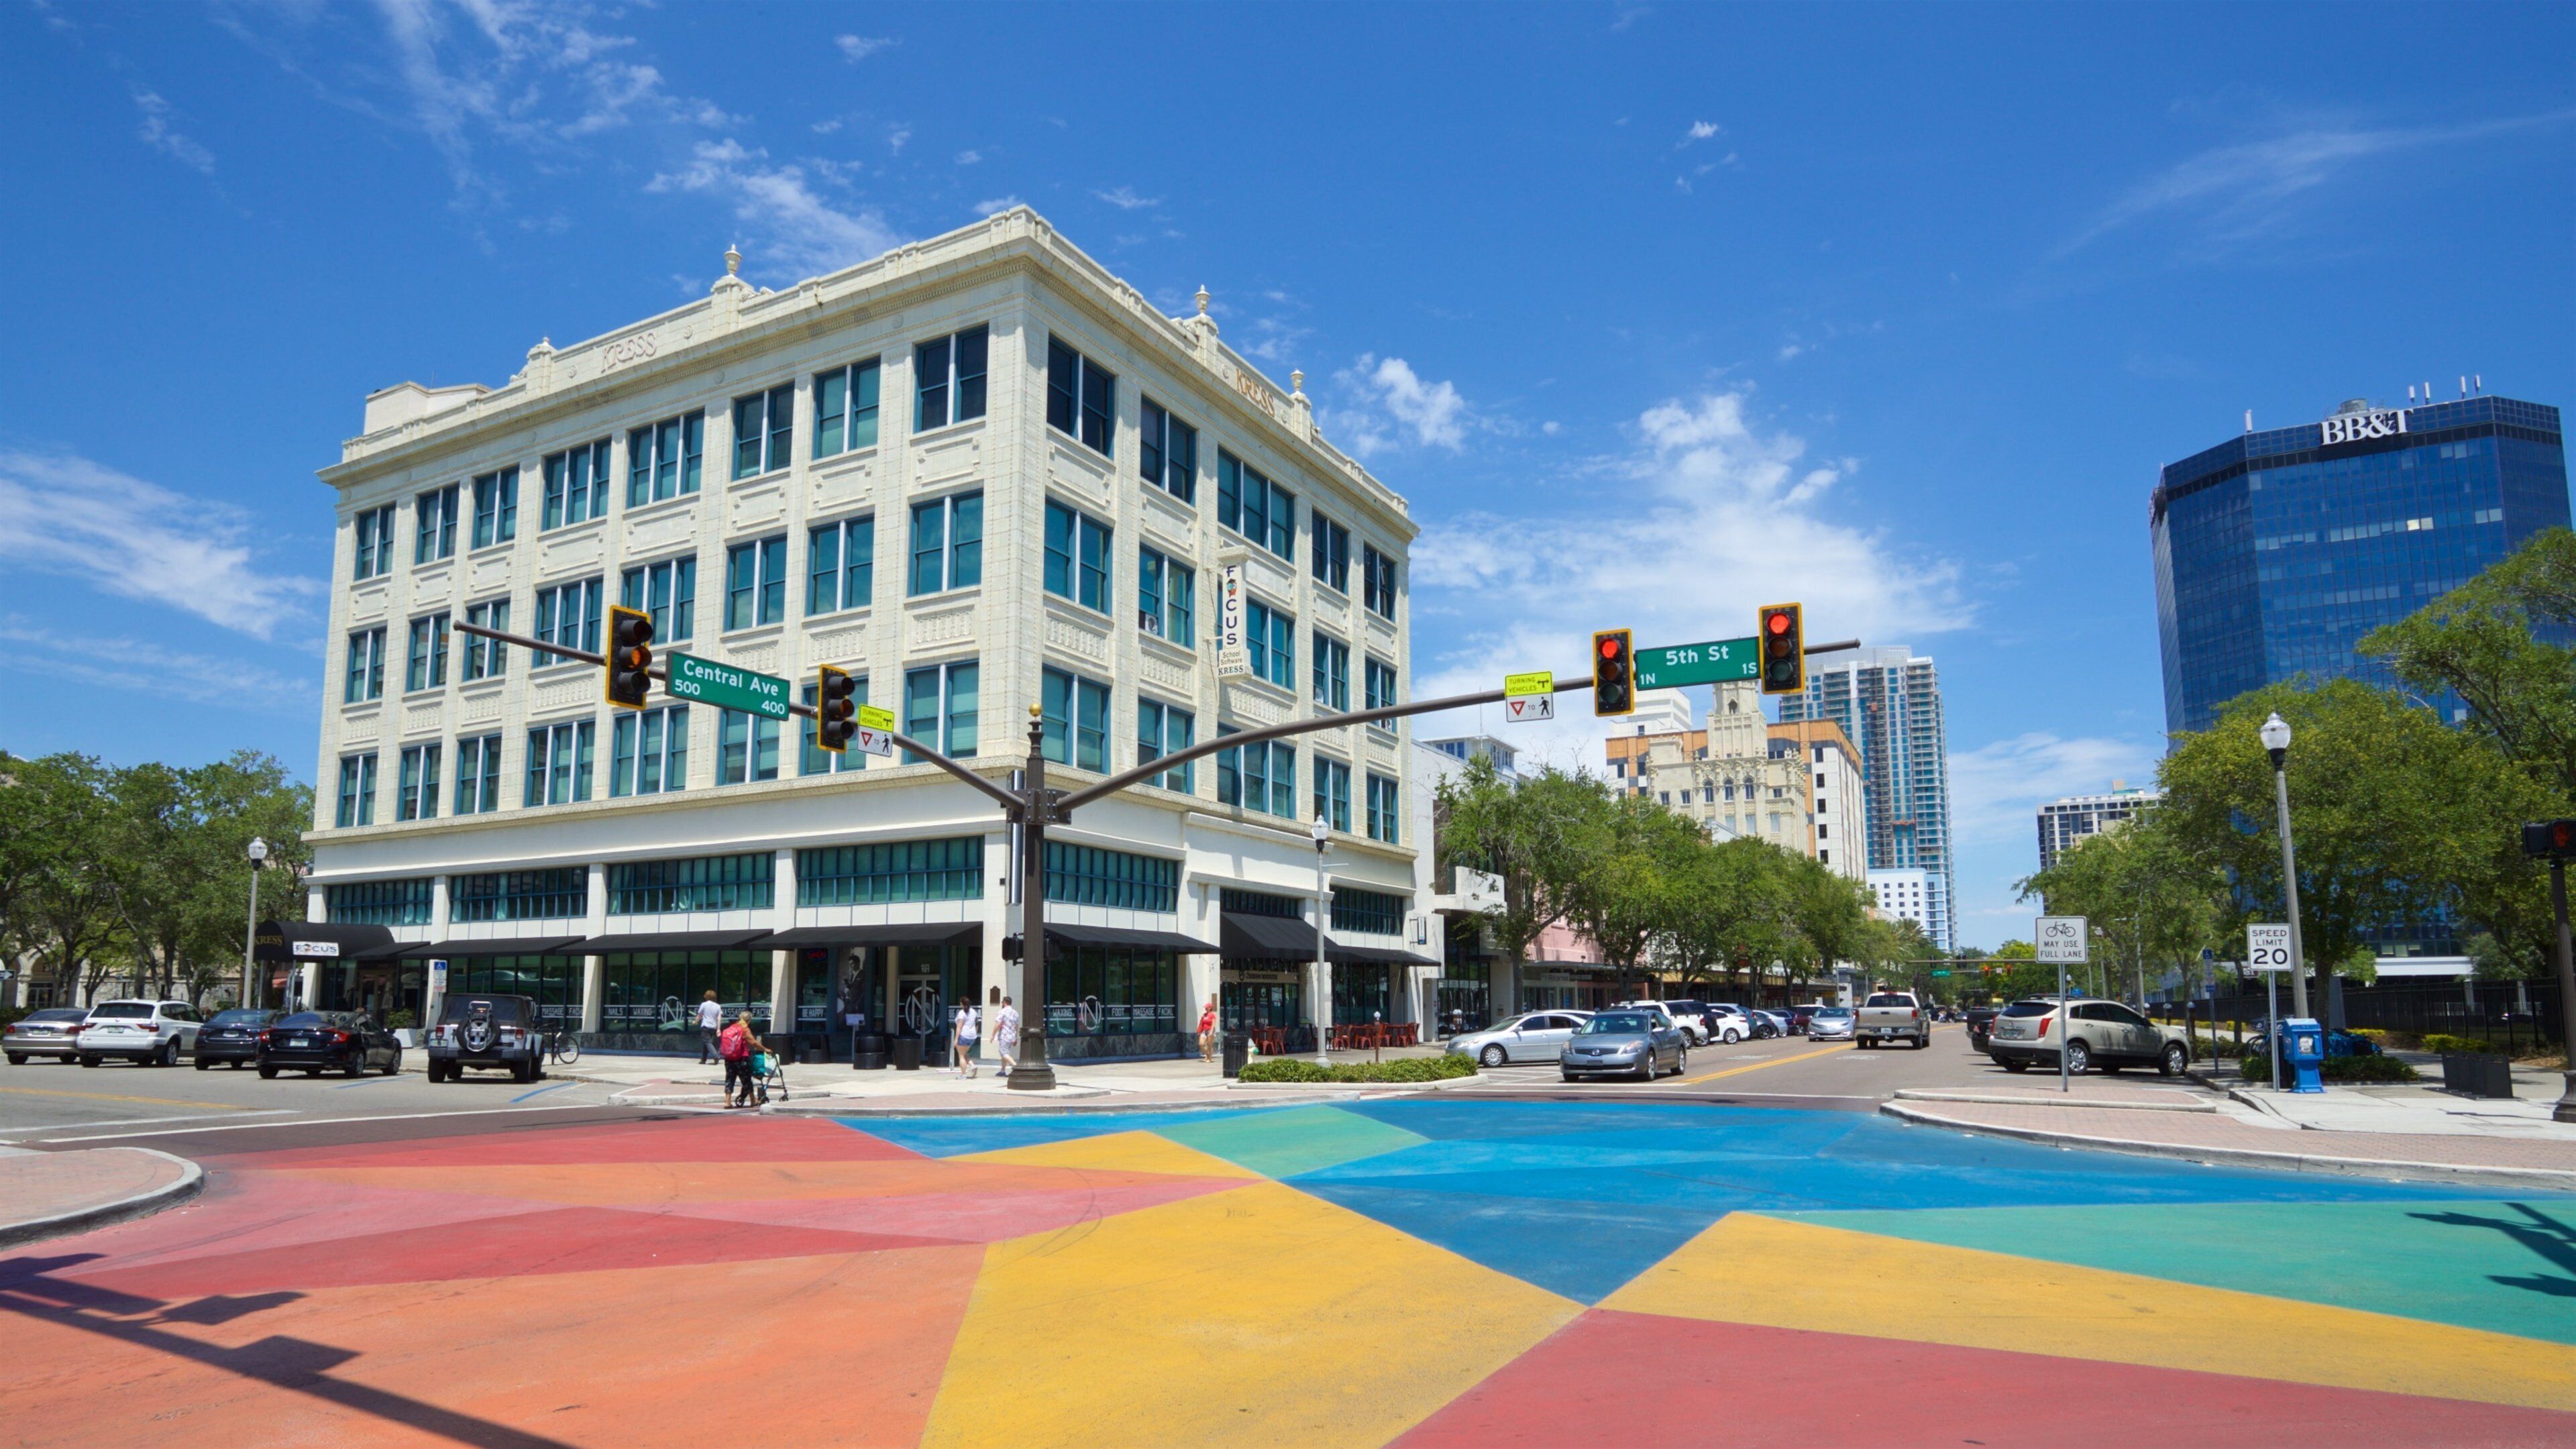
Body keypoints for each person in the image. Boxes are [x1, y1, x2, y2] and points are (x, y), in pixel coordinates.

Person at [718, 1010, 759, 1108]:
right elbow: (754, 1043)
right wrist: (766, 1049)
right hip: (742, 1058)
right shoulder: (745, 1029)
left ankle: (727, 1102)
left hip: (729, 1058)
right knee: (746, 1079)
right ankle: (753, 1100)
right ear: (749, 1021)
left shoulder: (732, 1027)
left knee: (729, 1079)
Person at [952, 999, 980, 1079]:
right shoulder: (973, 1012)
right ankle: (972, 1065)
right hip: (972, 1036)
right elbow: (977, 1023)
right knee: (964, 1054)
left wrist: (956, 1039)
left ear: (962, 1004)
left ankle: (963, 1074)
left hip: (964, 1035)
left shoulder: (962, 1013)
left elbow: (959, 1026)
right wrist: (975, 1033)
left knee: (961, 1056)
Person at [993, 995, 1020, 1076]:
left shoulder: (1002, 1011)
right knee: (1005, 1053)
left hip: (1004, 1036)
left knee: (1003, 1053)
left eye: (1002, 1002)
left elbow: (998, 1024)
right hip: (1011, 1036)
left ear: (1004, 1002)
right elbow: (1016, 1026)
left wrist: (993, 1035)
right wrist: (1015, 1037)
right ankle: (1002, 1071)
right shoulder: (1015, 1013)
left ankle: (1016, 1068)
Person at [696, 990, 723, 1064]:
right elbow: (719, 1019)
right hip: (713, 1027)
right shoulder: (718, 1006)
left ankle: (716, 1056)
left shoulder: (704, 1004)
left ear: (707, 996)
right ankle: (703, 1059)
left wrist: (695, 1022)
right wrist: (718, 1029)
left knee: (707, 1042)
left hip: (706, 1026)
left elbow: (700, 1015)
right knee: (706, 1043)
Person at [1198, 996, 1219, 1063]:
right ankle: (1207, 1054)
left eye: (1207, 1008)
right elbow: (1202, 1023)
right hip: (1204, 1031)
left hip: (1210, 1030)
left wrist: (1211, 1032)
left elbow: (1213, 1024)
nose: (1205, 1009)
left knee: (1210, 1045)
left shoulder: (1212, 1015)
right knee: (1201, 1044)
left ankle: (1209, 1058)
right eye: (1205, 1008)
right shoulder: (1204, 1015)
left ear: (1210, 1008)